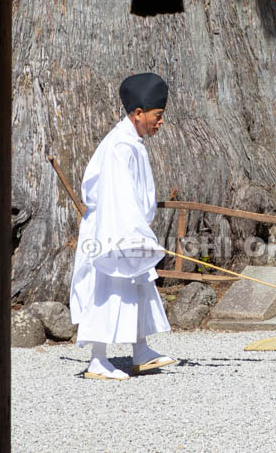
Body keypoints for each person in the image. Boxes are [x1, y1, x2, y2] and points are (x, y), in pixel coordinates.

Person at [69, 73, 177, 380]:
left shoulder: (132, 141)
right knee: (108, 287)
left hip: (127, 224)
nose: (160, 122)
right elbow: (118, 197)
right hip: (112, 226)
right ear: (139, 113)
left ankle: (141, 350)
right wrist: (134, 235)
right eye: (158, 116)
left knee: (137, 286)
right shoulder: (120, 146)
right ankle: (98, 360)